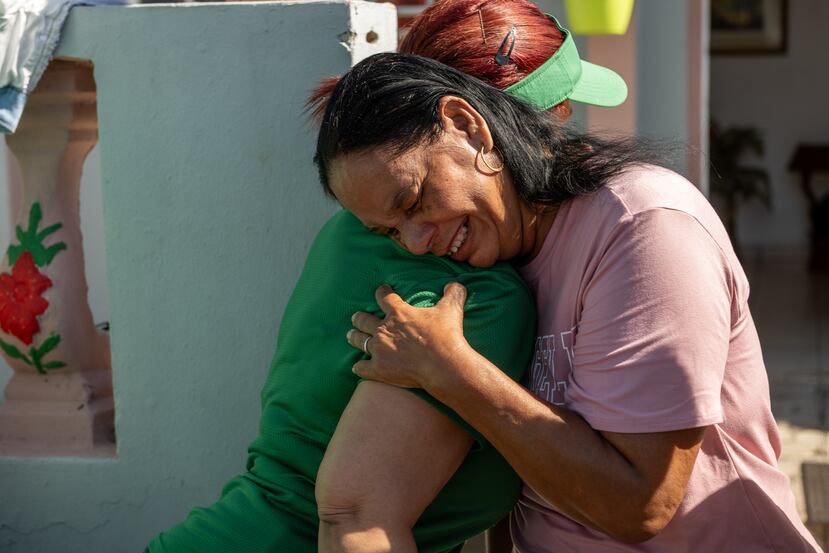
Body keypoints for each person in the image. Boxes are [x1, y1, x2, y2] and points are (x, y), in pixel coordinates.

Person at [148, 1, 632, 551]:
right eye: (553, 119)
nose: (559, 145)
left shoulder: (352, 230)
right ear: (471, 126)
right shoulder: (471, 300)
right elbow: (357, 516)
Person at [315, 52, 823, 553]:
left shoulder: (641, 227)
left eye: (415, 199)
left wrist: (449, 371)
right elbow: (523, 478)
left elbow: (641, 506)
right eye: (390, 231)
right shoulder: (500, 257)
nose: (418, 240)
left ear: (466, 125)